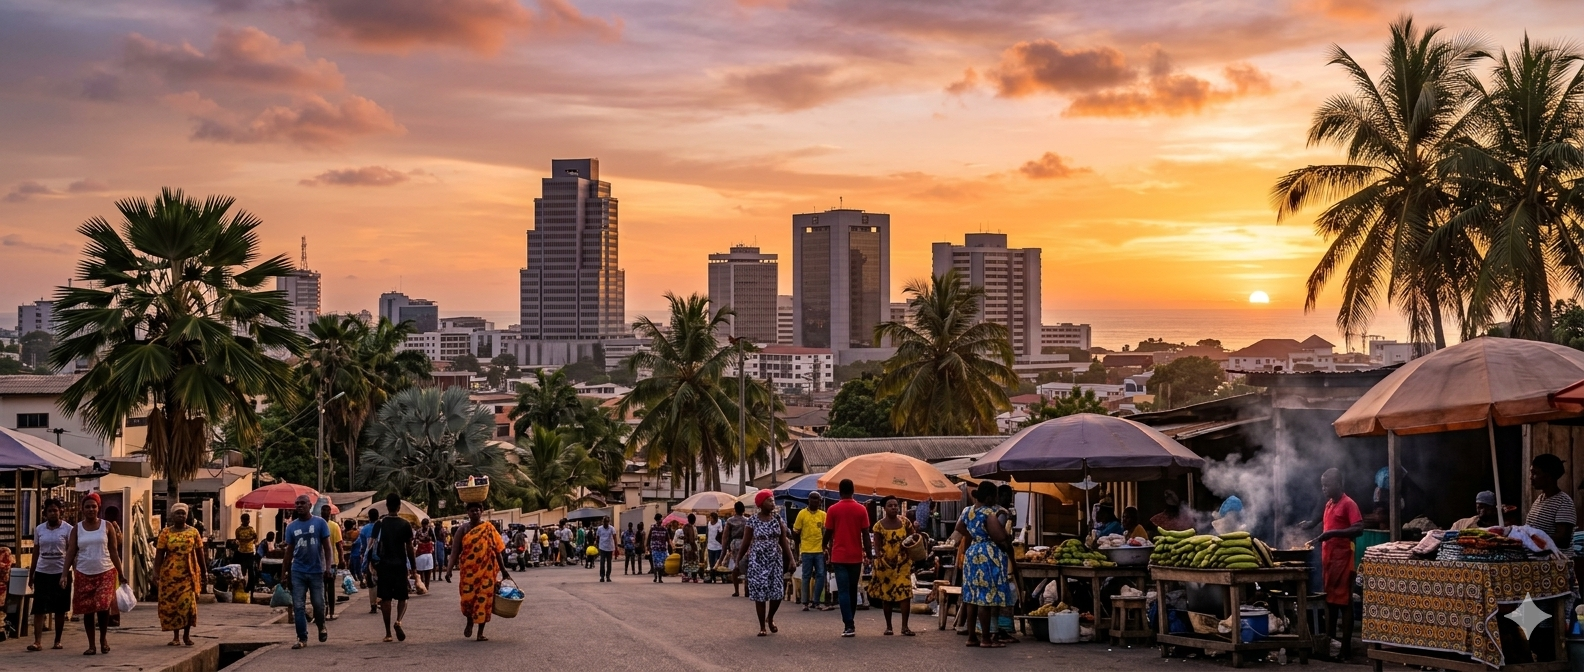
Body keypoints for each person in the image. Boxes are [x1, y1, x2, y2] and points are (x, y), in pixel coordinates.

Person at [1300, 468, 1362, 661]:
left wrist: (1332, 533)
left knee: (1345, 604)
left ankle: (1345, 649)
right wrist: (1310, 524)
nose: (1324, 489)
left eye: (1327, 485)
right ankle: (1330, 645)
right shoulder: (1329, 504)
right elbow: (1324, 518)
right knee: (1331, 602)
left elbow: (1359, 528)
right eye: (1322, 486)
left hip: (1344, 560)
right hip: (1329, 561)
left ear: (1338, 484)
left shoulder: (1348, 504)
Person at [62, 492, 125, 656]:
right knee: (88, 610)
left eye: (94, 506)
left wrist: (121, 572)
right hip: (83, 572)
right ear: (83, 509)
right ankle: (91, 644)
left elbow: (113, 551)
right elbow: (70, 552)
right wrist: (64, 574)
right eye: (87, 507)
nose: (91, 509)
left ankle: (103, 639)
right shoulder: (77, 529)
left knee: (103, 607)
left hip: (105, 571)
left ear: (99, 508)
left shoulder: (107, 526)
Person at [957, 481, 1016, 648]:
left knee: (972, 597)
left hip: (972, 553)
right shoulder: (989, 513)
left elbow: (959, 527)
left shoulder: (967, 511)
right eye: (995, 496)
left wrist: (976, 534)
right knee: (985, 597)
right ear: (990, 497)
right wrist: (1004, 539)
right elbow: (999, 537)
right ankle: (985, 638)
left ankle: (971, 638)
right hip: (987, 554)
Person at [445, 501, 510, 641]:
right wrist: (449, 570)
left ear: (482, 511)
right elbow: (455, 551)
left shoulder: (489, 528)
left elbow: (497, 551)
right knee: (468, 599)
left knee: (485, 600)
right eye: (472, 510)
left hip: (487, 571)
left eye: (477, 510)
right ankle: (469, 621)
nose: (475, 513)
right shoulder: (462, 530)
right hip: (468, 572)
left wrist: (504, 570)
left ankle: (480, 632)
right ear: (467, 513)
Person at [734, 490, 793, 636]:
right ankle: (762, 626)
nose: (772, 503)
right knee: (760, 593)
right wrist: (737, 560)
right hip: (758, 561)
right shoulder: (752, 521)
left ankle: (770, 617)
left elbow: (784, 541)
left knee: (777, 593)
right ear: (761, 503)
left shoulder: (777, 519)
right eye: (769, 500)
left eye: (773, 500)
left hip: (775, 560)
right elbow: (746, 542)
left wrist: (791, 559)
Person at [284, 494, 334, 649]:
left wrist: (328, 567)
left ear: (310, 505)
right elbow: (289, 552)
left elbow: (327, 548)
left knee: (318, 604)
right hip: (298, 570)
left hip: (316, 571)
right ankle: (302, 638)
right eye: (297, 503)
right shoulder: (291, 527)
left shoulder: (320, 523)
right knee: (298, 605)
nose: (299, 506)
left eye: (302, 503)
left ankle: (321, 625)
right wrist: (284, 573)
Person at [824, 479, 872, 637]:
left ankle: (849, 624)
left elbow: (828, 533)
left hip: (839, 556)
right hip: (855, 556)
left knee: (843, 590)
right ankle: (850, 621)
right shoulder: (861, 510)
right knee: (852, 590)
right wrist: (869, 554)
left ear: (839, 491)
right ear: (853, 490)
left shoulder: (832, 509)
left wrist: (823, 546)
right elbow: (865, 534)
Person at [368, 494, 417, 643]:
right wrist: (413, 567)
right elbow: (409, 548)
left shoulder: (379, 524)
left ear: (387, 506)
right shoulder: (405, 524)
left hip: (384, 566)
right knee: (403, 597)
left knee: (385, 599)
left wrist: (370, 564)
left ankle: (388, 633)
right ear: (399, 507)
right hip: (400, 565)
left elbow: (372, 545)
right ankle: (398, 621)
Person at [155, 502, 204, 647]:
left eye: (183, 513)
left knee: (188, 605)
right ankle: (175, 636)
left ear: (187, 515)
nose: (181, 515)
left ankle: (186, 636)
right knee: (173, 605)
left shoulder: (194, 532)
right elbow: (159, 554)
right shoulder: (165, 533)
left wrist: (205, 572)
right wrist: (155, 573)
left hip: (188, 574)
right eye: (178, 513)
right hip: (170, 576)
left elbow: (200, 553)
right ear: (172, 515)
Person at [868, 496, 917, 636]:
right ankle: (889, 627)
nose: (894, 507)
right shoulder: (878, 526)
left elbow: (913, 538)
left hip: (903, 563)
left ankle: (905, 627)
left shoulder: (905, 522)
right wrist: (881, 559)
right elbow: (876, 546)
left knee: (905, 594)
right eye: (890, 505)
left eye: (896, 505)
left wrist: (910, 550)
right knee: (887, 595)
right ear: (884, 508)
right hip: (885, 565)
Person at [28, 498, 72, 652]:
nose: (53, 513)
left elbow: (71, 552)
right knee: (39, 608)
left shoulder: (68, 529)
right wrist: (32, 574)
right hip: (42, 572)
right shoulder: (39, 530)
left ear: (61, 512)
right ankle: (37, 641)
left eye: (55, 510)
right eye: (50, 511)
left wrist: (66, 574)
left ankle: (57, 640)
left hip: (61, 573)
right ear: (45, 513)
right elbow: (36, 552)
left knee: (60, 608)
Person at [1528, 454, 1576, 543]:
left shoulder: (1564, 502)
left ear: (1549, 477)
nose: (1530, 477)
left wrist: (1529, 540)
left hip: (1555, 556)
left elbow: (1564, 540)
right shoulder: (1540, 499)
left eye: (1535, 473)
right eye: (1531, 472)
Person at [793, 492, 828, 611]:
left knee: (821, 575)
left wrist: (826, 547)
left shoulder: (823, 515)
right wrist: (797, 551)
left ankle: (816, 601)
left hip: (819, 551)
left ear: (820, 501)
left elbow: (827, 532)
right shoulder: (802, 514)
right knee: (806, 576)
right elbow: (796, 533)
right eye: (812, 499)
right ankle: (805, 602)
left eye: (817, 499)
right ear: (808, 500)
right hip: (806, 551)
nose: (814, 501)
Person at [319, 505, 342, 621]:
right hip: (324, 562)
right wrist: (342, 559)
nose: (326, 512)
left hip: (330, 561)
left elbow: (339, 545)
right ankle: (327, 612)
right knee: (325, 588)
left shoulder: (332, 526)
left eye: (326, 511)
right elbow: (339, 545)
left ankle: (329, 612)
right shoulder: (332, 526)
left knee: (327, 588)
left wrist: (342, 559)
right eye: (324, 510)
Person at [356, 509, 380, 612]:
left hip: (370, 558)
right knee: (381, 581)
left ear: (369, 517)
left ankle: (373, 604)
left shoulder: (364, 529)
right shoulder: (382, 528)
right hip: (381, 558)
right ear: (378, 516)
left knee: (371, 583)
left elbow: (364, 546)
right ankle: (380, 601)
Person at [724, 503, 747, 597]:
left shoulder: (730, 521)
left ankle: (736, 590)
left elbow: (725, 536)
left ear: (735, 509)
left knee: (735, 566)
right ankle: (747, 590)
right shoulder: (748, 521)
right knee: (746, 566)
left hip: (734, 544)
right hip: (745, 543)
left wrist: (725, 547)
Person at [234, 513, 258, 593]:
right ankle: (242, 587)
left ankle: (250, 588)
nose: (246, 521)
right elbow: (237, 539)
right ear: (242, 520)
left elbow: (255, 537)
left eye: (247, 520)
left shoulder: (251, 529)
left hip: (250, 552)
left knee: (251, 572)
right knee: (242, 572)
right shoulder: (238, 530)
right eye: (245, 520)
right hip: (242, 553)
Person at [647, 513, 670, 583]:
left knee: (661, 564)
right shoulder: (653, 528)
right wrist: (648, 547)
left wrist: (670, 546)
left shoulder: (664, 529)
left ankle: (660, 578)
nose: (661, 520)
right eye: (660, 519)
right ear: (657, 520)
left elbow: (667, 539)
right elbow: (649, 538)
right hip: (655, 549)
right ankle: (655, 577)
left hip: (662, 549)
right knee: (656, 564)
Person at [415, 518, 436, 589]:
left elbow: (414, 541)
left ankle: (422, 586)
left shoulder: (418, 531)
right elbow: (434, 540)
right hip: (428, 553)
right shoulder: (430, 530)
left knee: (420, 572)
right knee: (428, 571)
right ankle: (426, 586)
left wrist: (419, 542)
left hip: (420, 553)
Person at [680, 514, 701, 583]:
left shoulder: (685, 527)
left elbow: (683, 536)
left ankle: (686, 576)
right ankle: (693, 576)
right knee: (693, 561)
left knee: (687, 561)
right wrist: (694, 545)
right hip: (692, 546)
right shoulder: (691, 527)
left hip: (686, 546)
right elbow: (692, 539)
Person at [595, 517, 616, 582]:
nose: (606, 523)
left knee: (609, 563)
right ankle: (602, 576)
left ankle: (608, 576)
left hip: (610, 548)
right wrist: (597, 546)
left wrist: (616, 547)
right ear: (603, 522)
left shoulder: (612, 528)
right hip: (602, 547)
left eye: (607, 522)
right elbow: (597, 538)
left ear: (609, 522)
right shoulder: (599, 529)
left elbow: (614, 538)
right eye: (604, 522)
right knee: (602, 562)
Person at [705, 512, 724, 584]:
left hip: (718, 546)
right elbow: (707, 533)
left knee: (717, 561)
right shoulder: (709, 524)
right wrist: (706, 543)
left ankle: (717, 575)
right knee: (711, 562)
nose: (710, 519)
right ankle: (712, 577)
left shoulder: (719, 522)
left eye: (711, 518)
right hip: (710, 545)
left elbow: (721, 532)